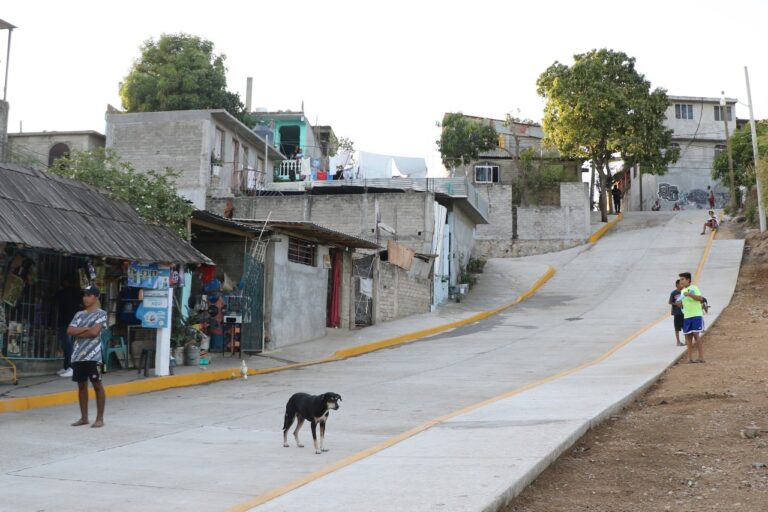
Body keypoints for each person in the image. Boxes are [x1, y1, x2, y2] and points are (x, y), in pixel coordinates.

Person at [67, 286, 108, 428]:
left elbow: (94, 333)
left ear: (96, 297)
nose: (85, 298)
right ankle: (84, 417)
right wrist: (85, 329)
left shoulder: (101, 314)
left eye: (89, 295)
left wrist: (80, 332)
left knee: (97, 385)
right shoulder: (79, 314)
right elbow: (70, 330)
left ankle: (100, 418)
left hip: (93, 355)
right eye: (84, 295)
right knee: (81, 386)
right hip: (78, 355)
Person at [54, 279, 82, 377]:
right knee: (68, 345)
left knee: (67, 345)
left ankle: (71, 367)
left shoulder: (63, 293)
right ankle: (67, 367)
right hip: (73, 322)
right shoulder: (77, 293)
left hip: (66, 321)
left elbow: (55, 298)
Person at [679, 272, 705, 363]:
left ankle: (701, 357)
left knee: (696, 335)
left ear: (688, 280)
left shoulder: (694, 288)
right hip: (687, 316)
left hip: (696, 315)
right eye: (680, 279)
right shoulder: (682, 291)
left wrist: (689, 294)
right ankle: (689, 358)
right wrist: (680, 304)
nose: (680, 281)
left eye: (682, 279)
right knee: (688, 337)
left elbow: (700, 299)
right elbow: (683, 303)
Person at [669, 279, 685, 346]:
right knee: (677, 328)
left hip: (684, 312)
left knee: (685, 327)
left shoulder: (684, 292)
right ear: (677, 285)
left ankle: (687, 340)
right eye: (681, 284)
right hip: (677, 313)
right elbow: (670, 302)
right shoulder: (673, 293)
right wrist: (676, 304)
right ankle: (678, 341)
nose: (682, 285)